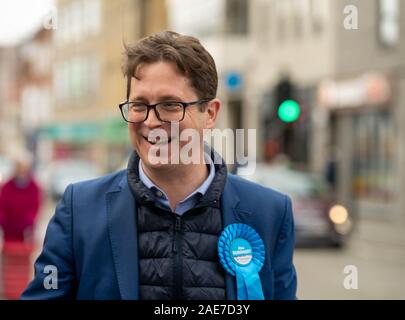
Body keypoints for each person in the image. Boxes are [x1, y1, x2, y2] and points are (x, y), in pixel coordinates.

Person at [21, 31, 297, 300]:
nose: (151, 122)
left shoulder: (270, 213)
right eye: (139, 105)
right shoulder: (78, 209)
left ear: (210, 114)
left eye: (170, 105)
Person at [0, 154, 42, 243]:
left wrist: (29, 222)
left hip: (26, 232)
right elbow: (2, 205)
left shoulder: (34, 187)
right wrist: (3, 221)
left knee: (23, 254)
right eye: (19, 167)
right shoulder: (7, 186)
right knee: (10, 253)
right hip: (9, 230)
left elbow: (35, 206)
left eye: (24, 168)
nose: (21, 170)